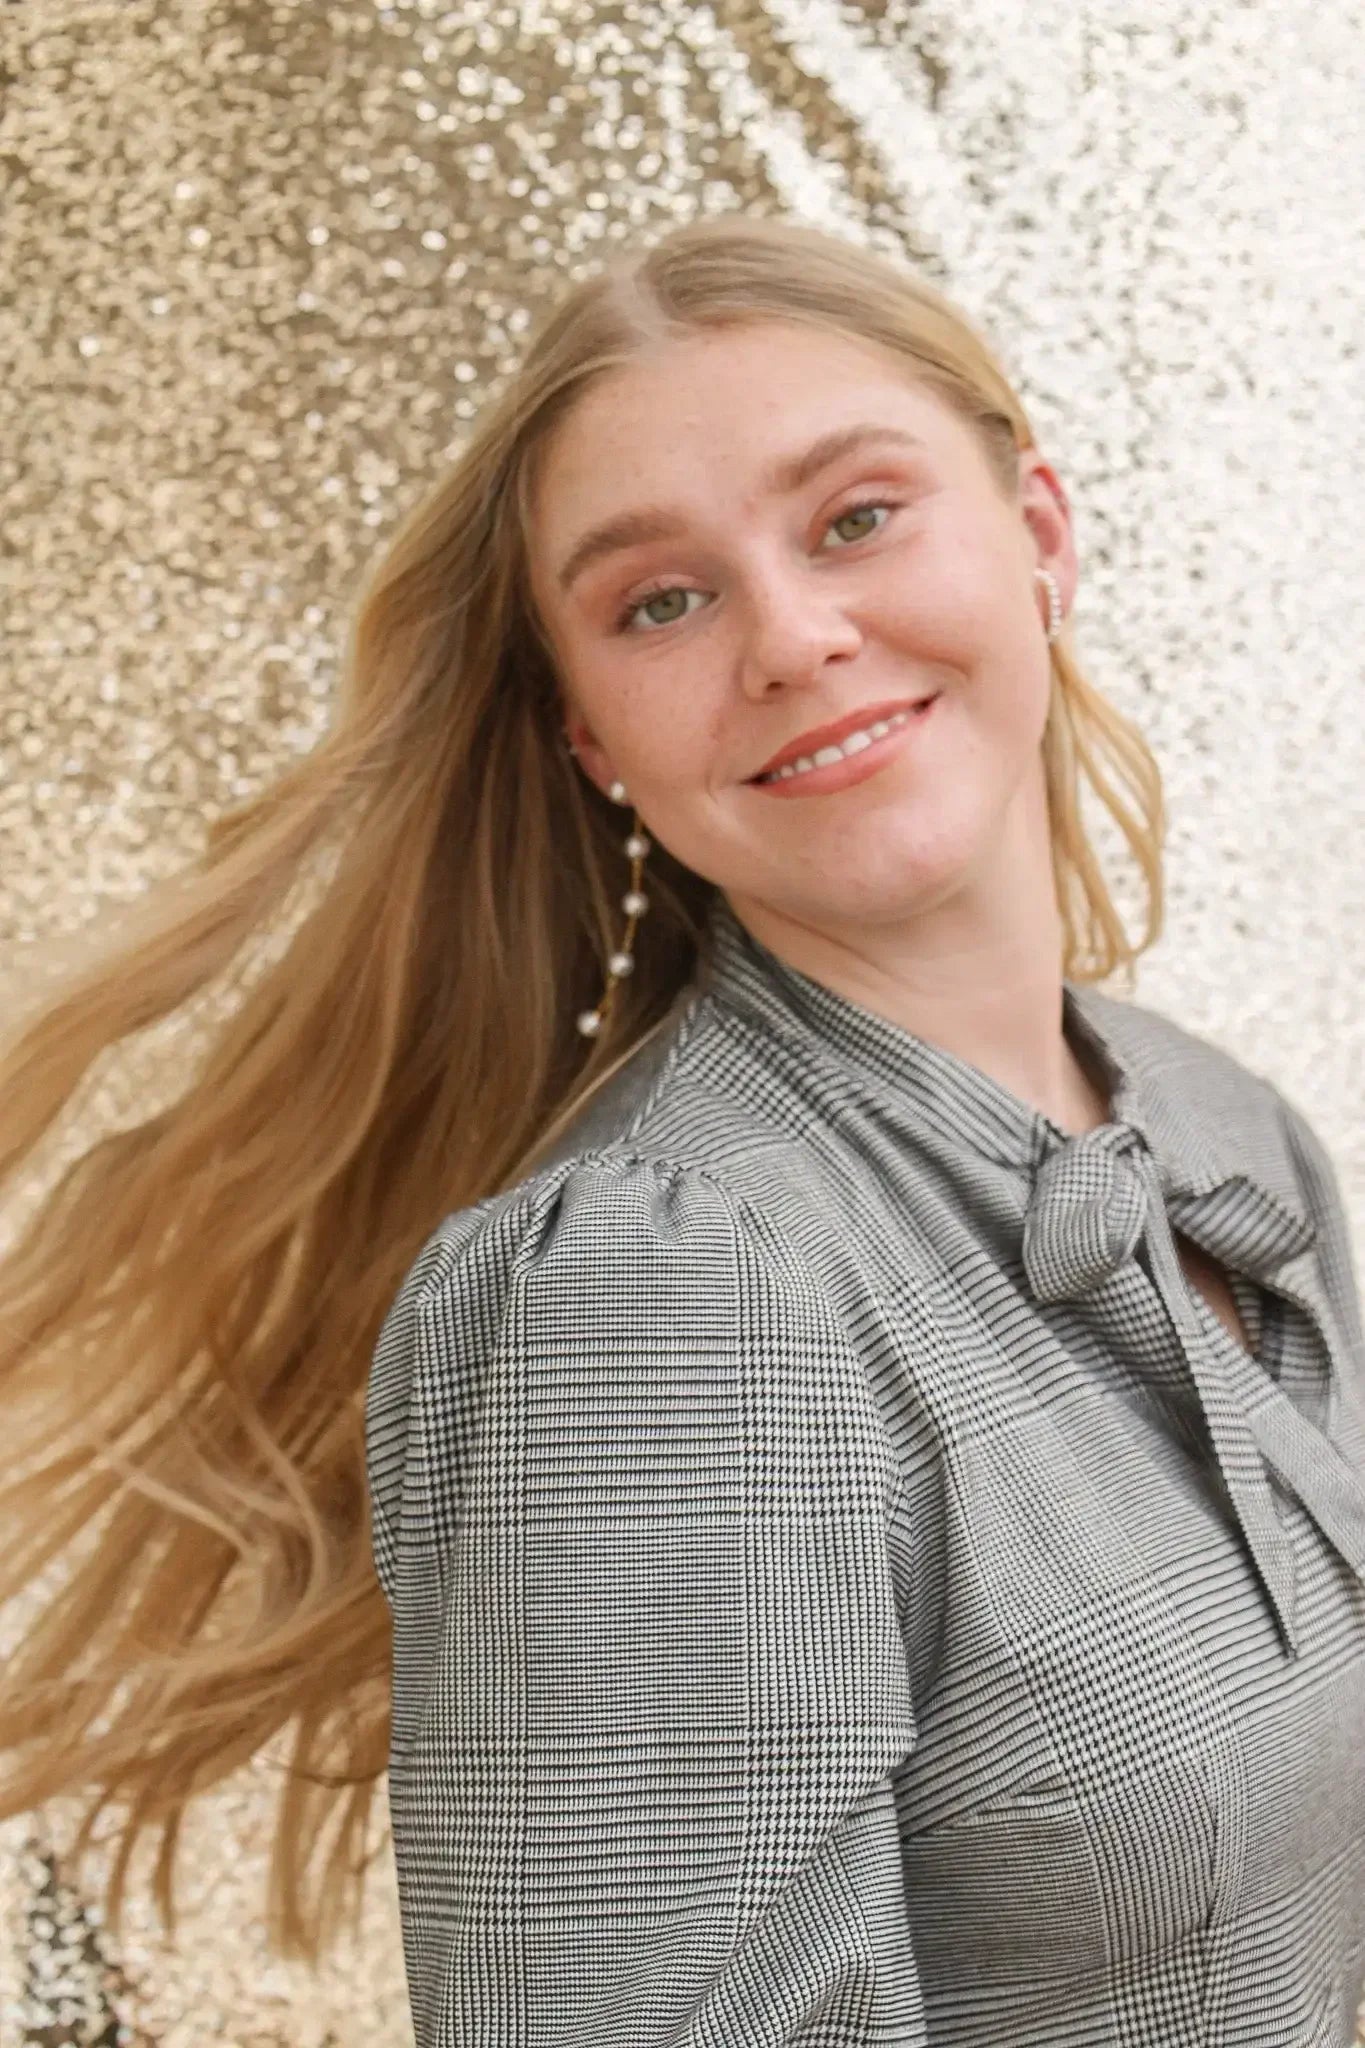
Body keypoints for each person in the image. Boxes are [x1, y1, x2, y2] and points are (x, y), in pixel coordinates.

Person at [0, 217, 1361, 2045]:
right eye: (660, 601)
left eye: (856, 517)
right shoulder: (652, 1300)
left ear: (1035, 538)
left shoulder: (1222, 1130)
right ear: (590, 735)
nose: (796, 637)